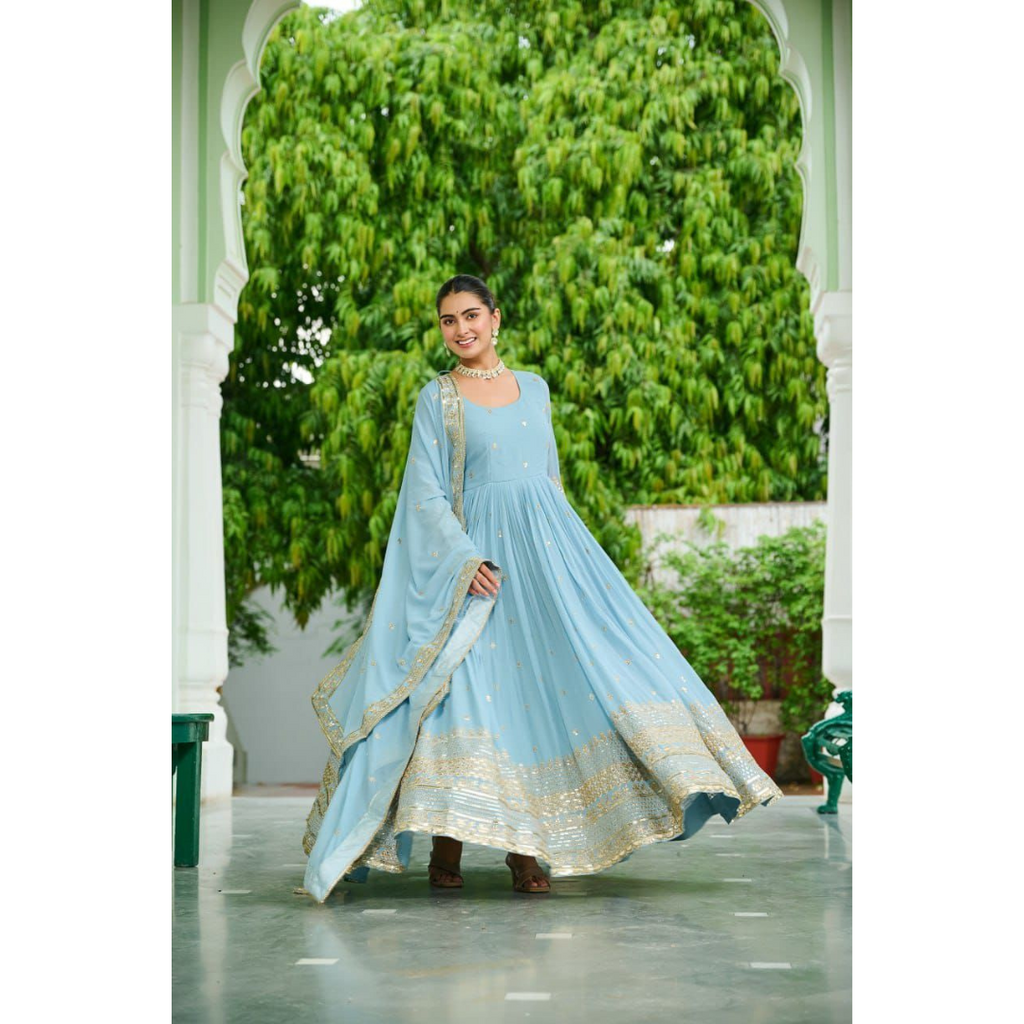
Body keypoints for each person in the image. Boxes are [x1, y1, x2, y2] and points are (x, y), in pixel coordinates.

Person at [301, 274, 782, 903]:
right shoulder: (437, 398)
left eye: (471, 315)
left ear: (495, 318)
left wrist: (569, 566)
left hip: (544, 558)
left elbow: (549, 480)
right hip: (476, 566)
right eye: (448, 320)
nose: (461, 329)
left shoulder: (536, 389)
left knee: (538, 690)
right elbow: (424, 492)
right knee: (458, 693)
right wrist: (463, 558)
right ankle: (448, 844)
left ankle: (527, 849)